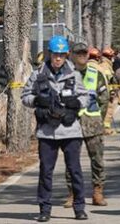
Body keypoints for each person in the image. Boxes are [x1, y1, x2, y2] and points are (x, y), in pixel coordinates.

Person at [22, 35, 89, 222]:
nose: (58, 58)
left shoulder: (74, 74)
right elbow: (25, 96)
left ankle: (79, 208)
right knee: (46, 172)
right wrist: (36, 100)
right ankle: (44, 209)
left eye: (61, 55)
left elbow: (86, 97)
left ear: (66, 55)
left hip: (70, 130)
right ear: (50, 54)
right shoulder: (38, 74)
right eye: (55, 55)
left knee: (75, 170)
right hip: (47, 132)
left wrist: (76, 104)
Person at [61, 42, 109, 208]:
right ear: (72, 55)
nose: (82, 55)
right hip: (71, 124)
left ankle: (97, 191)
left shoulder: (96, 74)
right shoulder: (65, 74)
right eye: (78, 53)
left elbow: (104, 99)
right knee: (71, 161)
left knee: (97, 160)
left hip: (93, 124)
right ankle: (72, 194)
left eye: (84, 52)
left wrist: (98, 119)